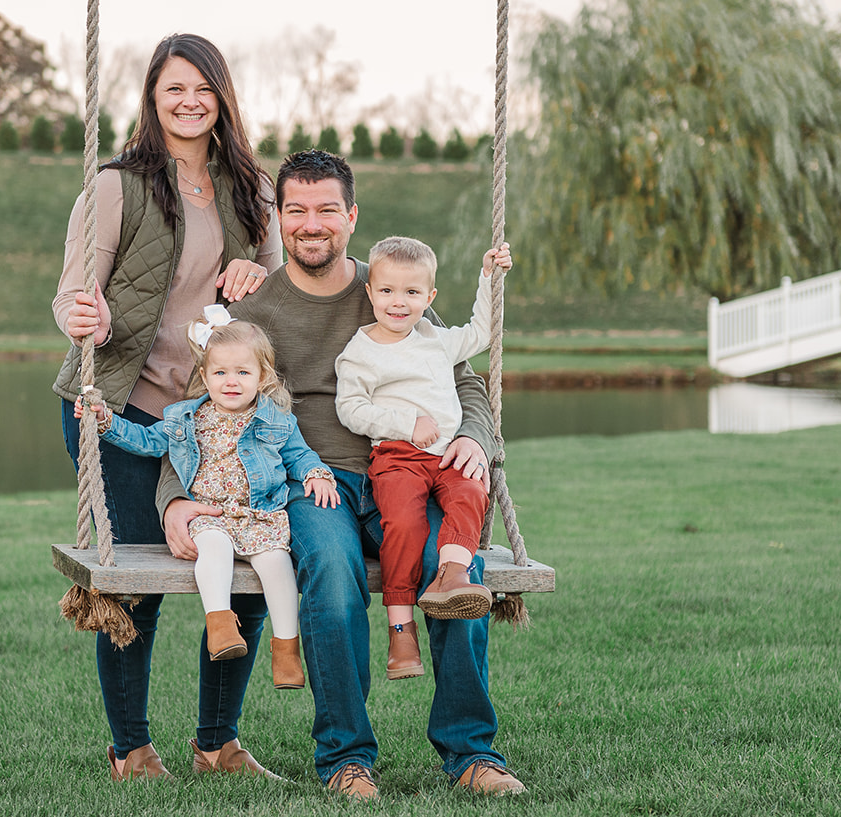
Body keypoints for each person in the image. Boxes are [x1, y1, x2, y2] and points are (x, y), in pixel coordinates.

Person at [158, 150, 526, 798]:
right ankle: (346, 758)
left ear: (350, 216)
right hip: (311, 481)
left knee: (455, 563)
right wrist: (175, 501)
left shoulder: (390, 289)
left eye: (327, 208)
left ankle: (472, 752)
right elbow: (198, 409)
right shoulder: (258, 310)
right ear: (278, 219)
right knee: (330, 571)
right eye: (296, 209)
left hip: (407, 471)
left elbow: (460, 378)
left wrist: (474, 434)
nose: (311, 222)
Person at [53, 33, 281, 781]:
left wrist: (259, 271)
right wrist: (90, 319)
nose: (188, 102)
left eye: (202, 88)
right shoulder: (118, 185)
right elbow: (71, 295)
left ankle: (217, 742)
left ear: (222, 97)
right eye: (173, 88)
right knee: (142, 579)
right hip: (123, 408)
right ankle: (132, 748)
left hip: (215, 419)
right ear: (152, 96)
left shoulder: (251, 189)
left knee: (250, 560)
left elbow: (276, 300)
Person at [77, 309, 340, 692]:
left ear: (262, 377)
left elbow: (299, 455)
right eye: (220, 373)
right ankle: (220, 624)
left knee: (278, 566)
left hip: (258, 515)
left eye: (242, 373)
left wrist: (316, 474)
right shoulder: (185, 418)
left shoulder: (276, 420)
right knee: (213, 549)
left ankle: (285, 649)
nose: (231, 382)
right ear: (204, 377)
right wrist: (106, 422)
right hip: (210, 514)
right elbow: (146, 441)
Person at [334, 236, 514, 681]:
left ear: (429, 298)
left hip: (445, 455)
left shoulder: (434, 339)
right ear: (370, 292)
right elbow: (350, 409)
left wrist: (488, 277)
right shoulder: (361, 351)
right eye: (389, 291)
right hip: (397, 457)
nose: (399, 303)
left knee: (472, 489)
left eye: (412, 293)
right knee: (406, 525)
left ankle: (452, 577)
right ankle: (401, 628)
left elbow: (482, 333)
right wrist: (405, 422)